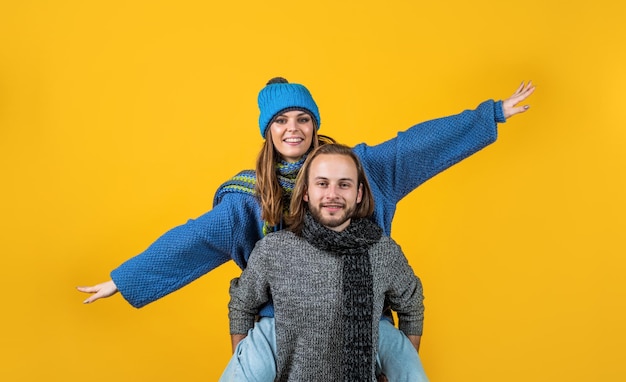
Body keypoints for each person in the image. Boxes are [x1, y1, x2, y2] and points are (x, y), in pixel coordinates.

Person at [77, 77, 535, 380]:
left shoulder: (361, 169)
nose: (292, 128)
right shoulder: (250, 197)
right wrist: (124, 279)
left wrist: (489, 114)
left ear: (315, 124)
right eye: (280, 120)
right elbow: (194, 239)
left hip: (361, 322)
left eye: (302, 118)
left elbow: (415, 145)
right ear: (267, 131)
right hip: (283, 332)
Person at [223, 143, 425, 381]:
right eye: (322, 183)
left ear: (358, 194)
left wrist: (398, 367)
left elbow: (411, 305)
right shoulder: (275, 249)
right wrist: (247, 362)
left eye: (344, 184)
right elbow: (242, 305)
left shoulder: (380, 250)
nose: (332, 194)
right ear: (306, 191)